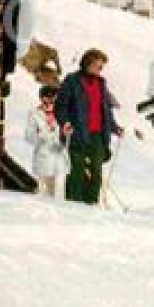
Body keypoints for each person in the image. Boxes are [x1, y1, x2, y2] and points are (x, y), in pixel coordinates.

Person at [54, 48, 122, 205]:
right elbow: (60, 106)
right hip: (77, 133)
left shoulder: (101, 84)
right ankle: (73, 204)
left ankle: (91, 205)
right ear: (88, 64)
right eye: (98, 66)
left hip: (98, 135)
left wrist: (115, 127)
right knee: (77, 171)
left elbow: (105, 110)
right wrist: (65, 123)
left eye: (102, 67)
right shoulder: (72, 81)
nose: (101, 69)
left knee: (96, 172)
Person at [24, 84, 69, 199]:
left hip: (60, 160)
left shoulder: (63, 114)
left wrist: (66, 134)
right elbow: (29, 136)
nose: (49, 105)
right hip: (43, 158)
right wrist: (41, 136)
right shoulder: (35, 114)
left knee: (59, 194)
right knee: (44, 195)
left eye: (52, 102)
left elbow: (68, 135)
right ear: (41, 99)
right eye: (45, 102)